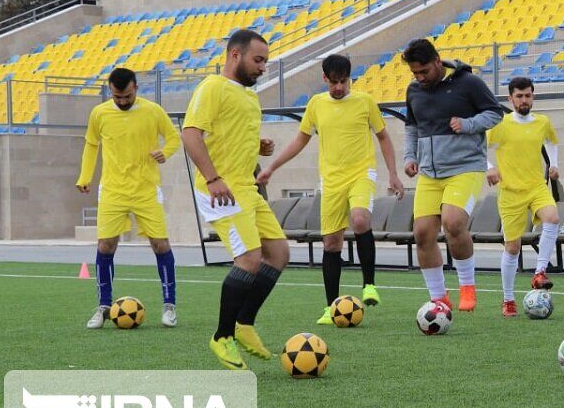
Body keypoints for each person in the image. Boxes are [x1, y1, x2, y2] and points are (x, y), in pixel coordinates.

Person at [258, 54, 405, 324]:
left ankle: (369, 285)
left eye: (343, 82)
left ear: (350, 79)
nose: (339, 87)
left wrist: (393, 174)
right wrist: (272, 168)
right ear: (324, 79)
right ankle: (330, 307)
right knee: (331, 243)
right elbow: (300, 140)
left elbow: (384, 137)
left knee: (360, 219)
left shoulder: (365, 102)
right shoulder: (316, 104)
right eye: (334, 82)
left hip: (361, 173)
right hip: (331, 180)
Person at [182, 29, 289, 369]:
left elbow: (228, 135)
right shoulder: (213, 87)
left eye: (265, 62)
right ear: (235, 55)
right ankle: (222, 336)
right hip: (221, 191)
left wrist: (259, 145)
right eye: (258, 60)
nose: (263, 67)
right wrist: (213, 179)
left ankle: (244, 323)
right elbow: (190, 134)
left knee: (278, 254)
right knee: (249, 258)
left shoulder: (249, 97)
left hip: (246, 188)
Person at [401, 38, 503, 312]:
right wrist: (410, 157)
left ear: (437, 61)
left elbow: (495, 113)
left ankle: (467, 286)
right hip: (429, 173)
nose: (420, 78)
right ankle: (438, 298)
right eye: (415, 73)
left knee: (453, 223)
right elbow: (412, 128)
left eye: (424, 71)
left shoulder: (469, 83)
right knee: (422, 233)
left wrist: (469, 124)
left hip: (465, 167)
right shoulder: (414, 90)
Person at [76, 67, 181, 329]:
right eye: (117, 97)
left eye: (127, 96)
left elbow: (173, 137)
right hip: (112, 191)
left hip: (146, 190)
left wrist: (165, 152)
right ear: (110, 91)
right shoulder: (99, 113)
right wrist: (85, 176)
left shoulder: (153, 111)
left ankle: (169, 306)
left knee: (161, 244)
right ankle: (103, 307)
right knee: (105, 246)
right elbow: (91, 144)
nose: (122, 101)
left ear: (136, 88)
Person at [486, 76, 561, 317]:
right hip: (510, 192)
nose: (524, 100)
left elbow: (552, 141)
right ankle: (508, 299)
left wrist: (553, 164)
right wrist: (490, 167)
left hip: (536, 187)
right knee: (512, 247)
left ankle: (539, 273)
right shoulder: (501, 124)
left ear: (533, 96)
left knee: (552, 218)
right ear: (511, 99)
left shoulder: (542, 121)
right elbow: (478, 146)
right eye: (519, 96)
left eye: (528, 95)